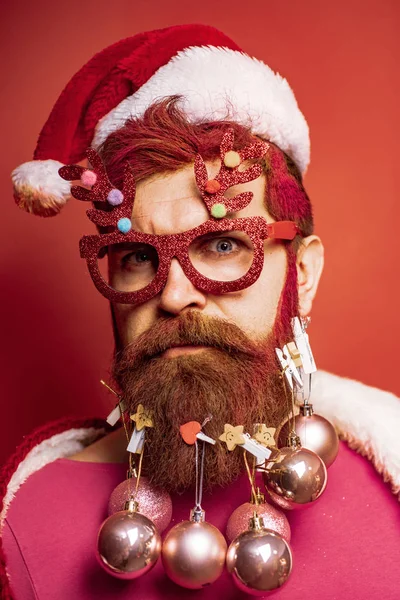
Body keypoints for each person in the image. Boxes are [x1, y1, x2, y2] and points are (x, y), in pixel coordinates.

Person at [1, 23, 399, 600]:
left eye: (221, 246)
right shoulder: (25, 522)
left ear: (303, 275)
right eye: (138, 256)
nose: (174, 295)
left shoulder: (390, 498)